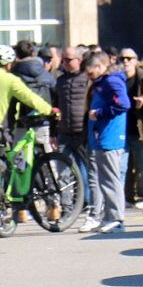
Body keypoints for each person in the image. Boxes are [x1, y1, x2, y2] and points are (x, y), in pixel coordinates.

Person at [0, 43, 53, 163]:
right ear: (9, 64)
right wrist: (50, 110)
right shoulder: (9, 79)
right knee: (2, 172)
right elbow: (29, 97)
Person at [84, 51, 130, 233]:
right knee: (104, 178)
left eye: (90, 72)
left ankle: (117, 218)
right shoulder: (101, 83)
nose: (89, 77)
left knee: (111, 178)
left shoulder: (112, 81)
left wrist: (100, 114)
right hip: (101, 136)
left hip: (110, 136)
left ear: (99, 67)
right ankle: (110, 216)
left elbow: (123, 104)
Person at [52, 46, 93, 209]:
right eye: (64, 60)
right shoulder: (60, 81)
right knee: (63, 171)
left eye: (69, 60)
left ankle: (88, 202)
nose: (66, 63)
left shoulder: (86, 79)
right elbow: (54, 106)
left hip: (82, 131)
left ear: (79, 60)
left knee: (86, 169)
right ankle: (67, 205)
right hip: (64, 131)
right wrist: (53, 131)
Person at [120, 47, 143, 209]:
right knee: (121, 169)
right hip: (122, 130)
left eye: (129, 58)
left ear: (136, 60)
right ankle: (122, 200)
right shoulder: (118, 79)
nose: (125, 62)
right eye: (122, 59)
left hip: (140, 129)